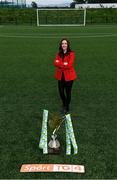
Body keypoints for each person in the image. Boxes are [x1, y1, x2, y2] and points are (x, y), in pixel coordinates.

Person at [54, 38, 77, 114]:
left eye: (65, 43)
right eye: (62, 43)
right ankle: (64, 103)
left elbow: (70, 65)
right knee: (61, 92)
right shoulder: (58, 54)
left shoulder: (71, 53)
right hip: (60, 76)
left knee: (68, 92)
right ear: (61, 45)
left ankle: (66, 107)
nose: (64, 45)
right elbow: (55, 63)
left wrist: (60, 64)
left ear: (68, 45)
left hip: (69, 77)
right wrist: (64, 64)